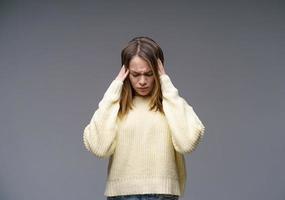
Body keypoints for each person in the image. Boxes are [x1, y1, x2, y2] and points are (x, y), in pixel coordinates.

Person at [82, 36, 206, 200]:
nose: (142, 81)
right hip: (122, 195)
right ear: (125, 72)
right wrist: (115, 87)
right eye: (135, 74)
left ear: (158, 71)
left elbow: (188, 143)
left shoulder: (172, 105)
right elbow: (99, 148)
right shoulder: (115, 106)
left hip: (162, 195)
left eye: (149, 74)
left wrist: (166, 85)